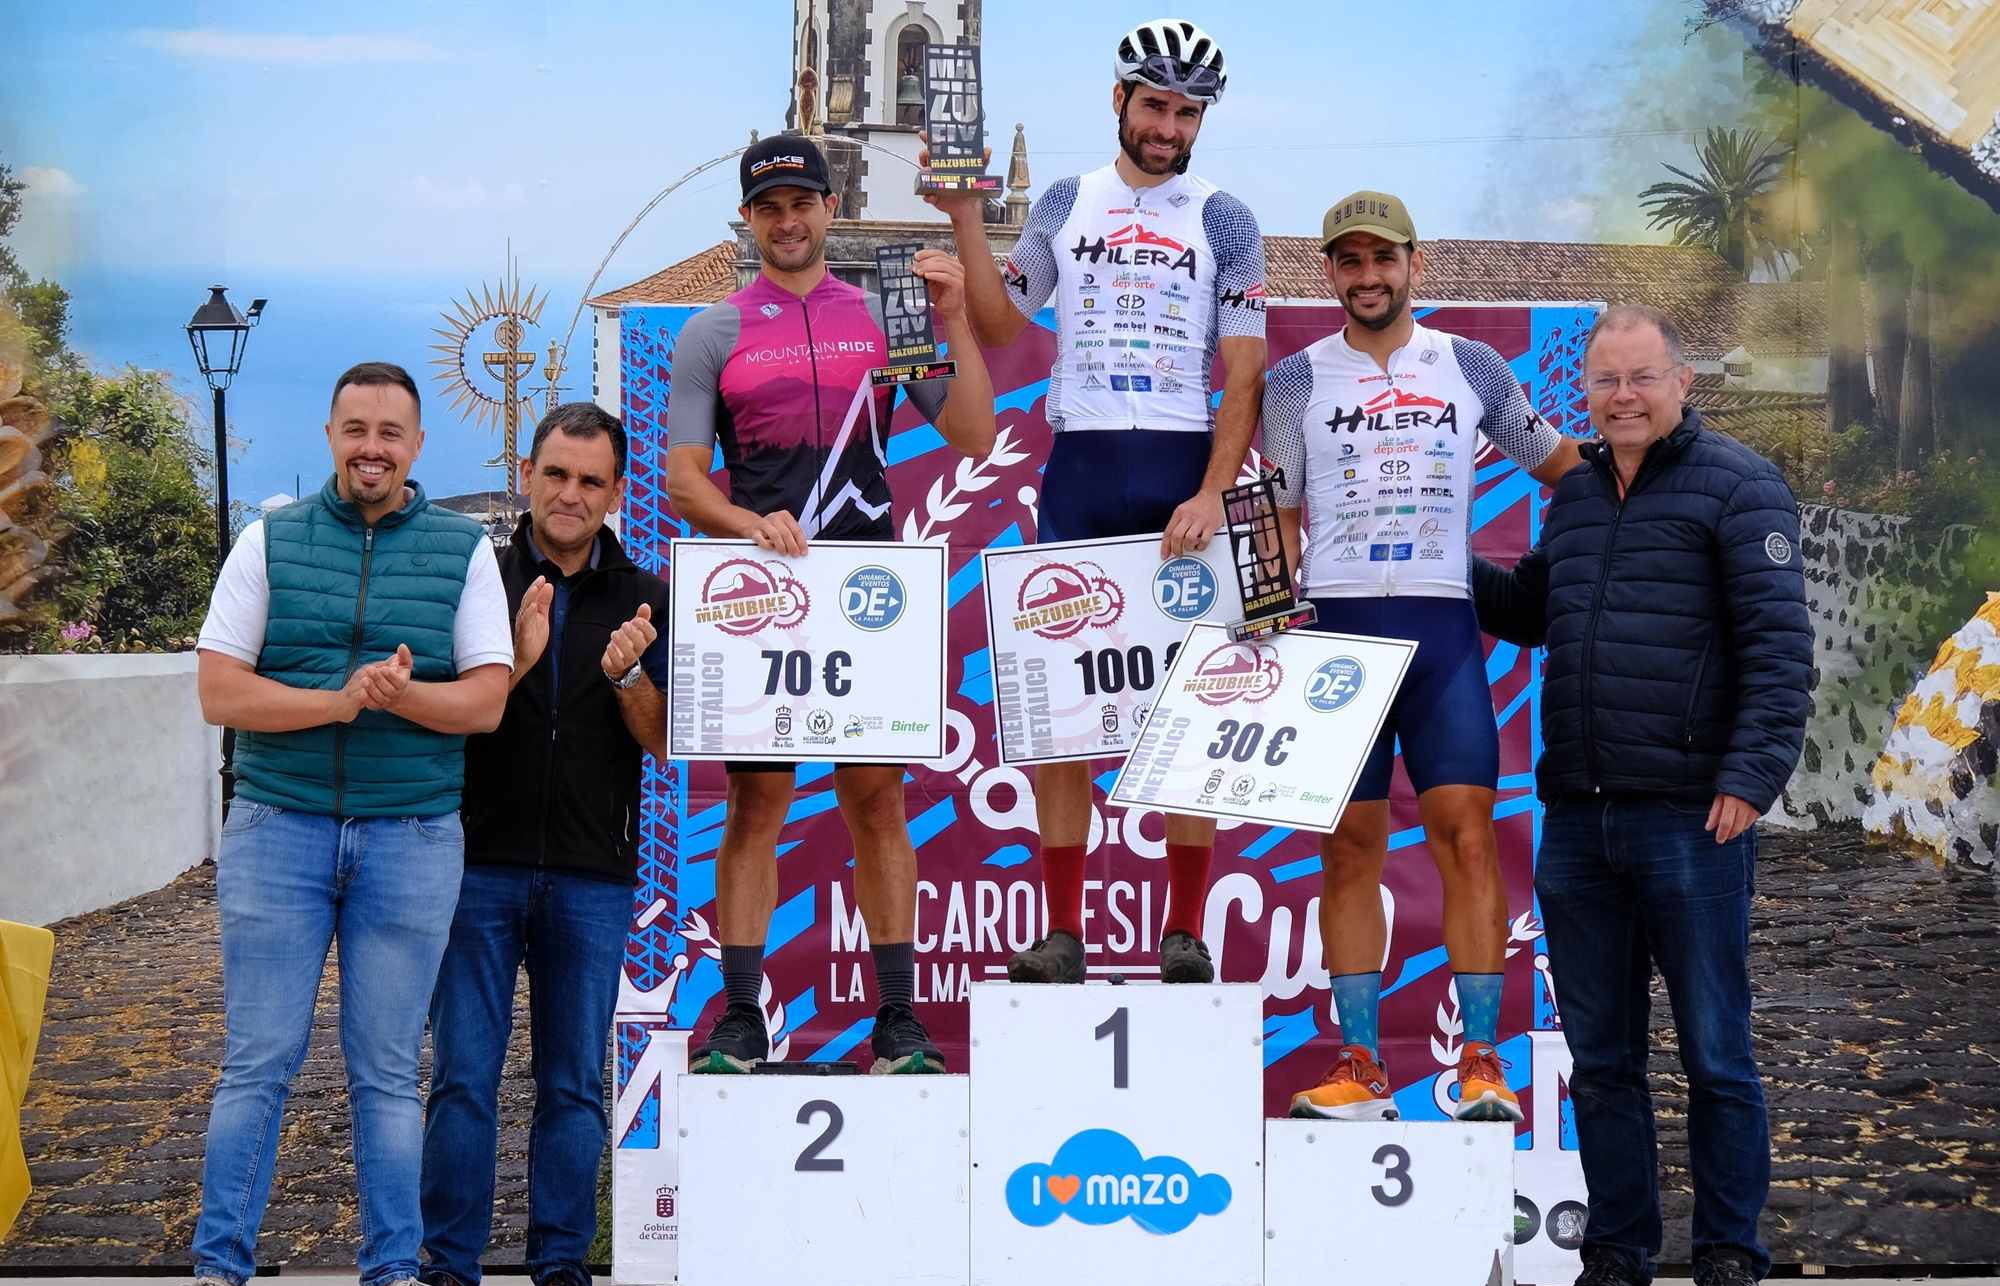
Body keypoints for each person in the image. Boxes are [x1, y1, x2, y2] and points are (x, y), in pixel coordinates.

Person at [1471, 304, 1811, 1286]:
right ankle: (1616, 1256)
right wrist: (1432, 563)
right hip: (1576, 818)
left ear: (1680, 383)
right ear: (1584, 391)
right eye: (1605, 381)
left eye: (1641, 378)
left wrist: (1749, 779)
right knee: (1602, 1059)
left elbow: (1778, 653)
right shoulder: (1571, 495)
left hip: (1687, 821)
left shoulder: (1739, 487)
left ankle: (1726, 1259)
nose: (1621, 397)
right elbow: (1535, 609)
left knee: (1714, 1052)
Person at [932, 18, 1266, 984]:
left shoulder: (1225, 217)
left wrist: (1212, 488)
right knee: (1061, 718)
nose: (1169, 127)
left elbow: (1241, 372)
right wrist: (965, 216)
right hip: (1079, 472)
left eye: (1187, 112)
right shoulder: (1068, 200)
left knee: (1189, 714)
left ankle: (1185, 931)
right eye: (1155, 105)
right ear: (1118, 100)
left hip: (1176, 472)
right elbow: (1003, 322)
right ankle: (1065, 932)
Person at [664, 135, 996, 1074]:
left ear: (831, 208)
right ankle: (740, 1016)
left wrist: (954, 317)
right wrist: (745, 521)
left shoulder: (884, 314)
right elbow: (685, 479)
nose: (788, 220)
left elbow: (972, 431)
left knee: (876, 802)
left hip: (866, 593)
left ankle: (898, 1020)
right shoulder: (713, 332)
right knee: (754, 804)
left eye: (803, 202)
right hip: (766, 593)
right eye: (769, 207)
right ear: (750, 219)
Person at [187, 362, 511, 1286]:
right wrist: (337, 702)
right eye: (356, 428)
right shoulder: (271, 540)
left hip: (410, 835)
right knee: (258, 1060)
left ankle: (392, 1275)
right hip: (276, 827)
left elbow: (487, 701)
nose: (373, 446)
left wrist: (403, 694)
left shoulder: (463, 549)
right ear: (331, 434)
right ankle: (219, 1272)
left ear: (416, 446)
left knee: (385, 1070)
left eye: (391, 432)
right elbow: (219, 690)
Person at [1263, 191, 1582, 1124]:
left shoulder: (1471, 365)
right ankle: (1360, 1065)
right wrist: (1273, 615)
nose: (1368, 277)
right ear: (1329, 272)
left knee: (1470, 840)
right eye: (1349, 262)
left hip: (1442, 633)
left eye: (1383, 259)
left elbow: (1560, 464)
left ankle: (1481, 1061)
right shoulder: (1294, 380)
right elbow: (1281, 519)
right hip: (1337, 639)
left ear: (1415, 263)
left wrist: (1622, 529)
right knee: (1349, 847)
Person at [419, 403, 671, 1286]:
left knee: (571, 1085)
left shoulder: (648, 595)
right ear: (528, 474)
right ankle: (447, 1269)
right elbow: (442, 719)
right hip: (474, 863)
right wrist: (518, 658)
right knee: (461, 1080)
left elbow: (665, 743)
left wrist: (629, 674)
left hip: (592, 875)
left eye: (590, 480)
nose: (569, 494)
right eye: (555, 474)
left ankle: (560, 1269)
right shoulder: (473, 577)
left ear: (616, 493)